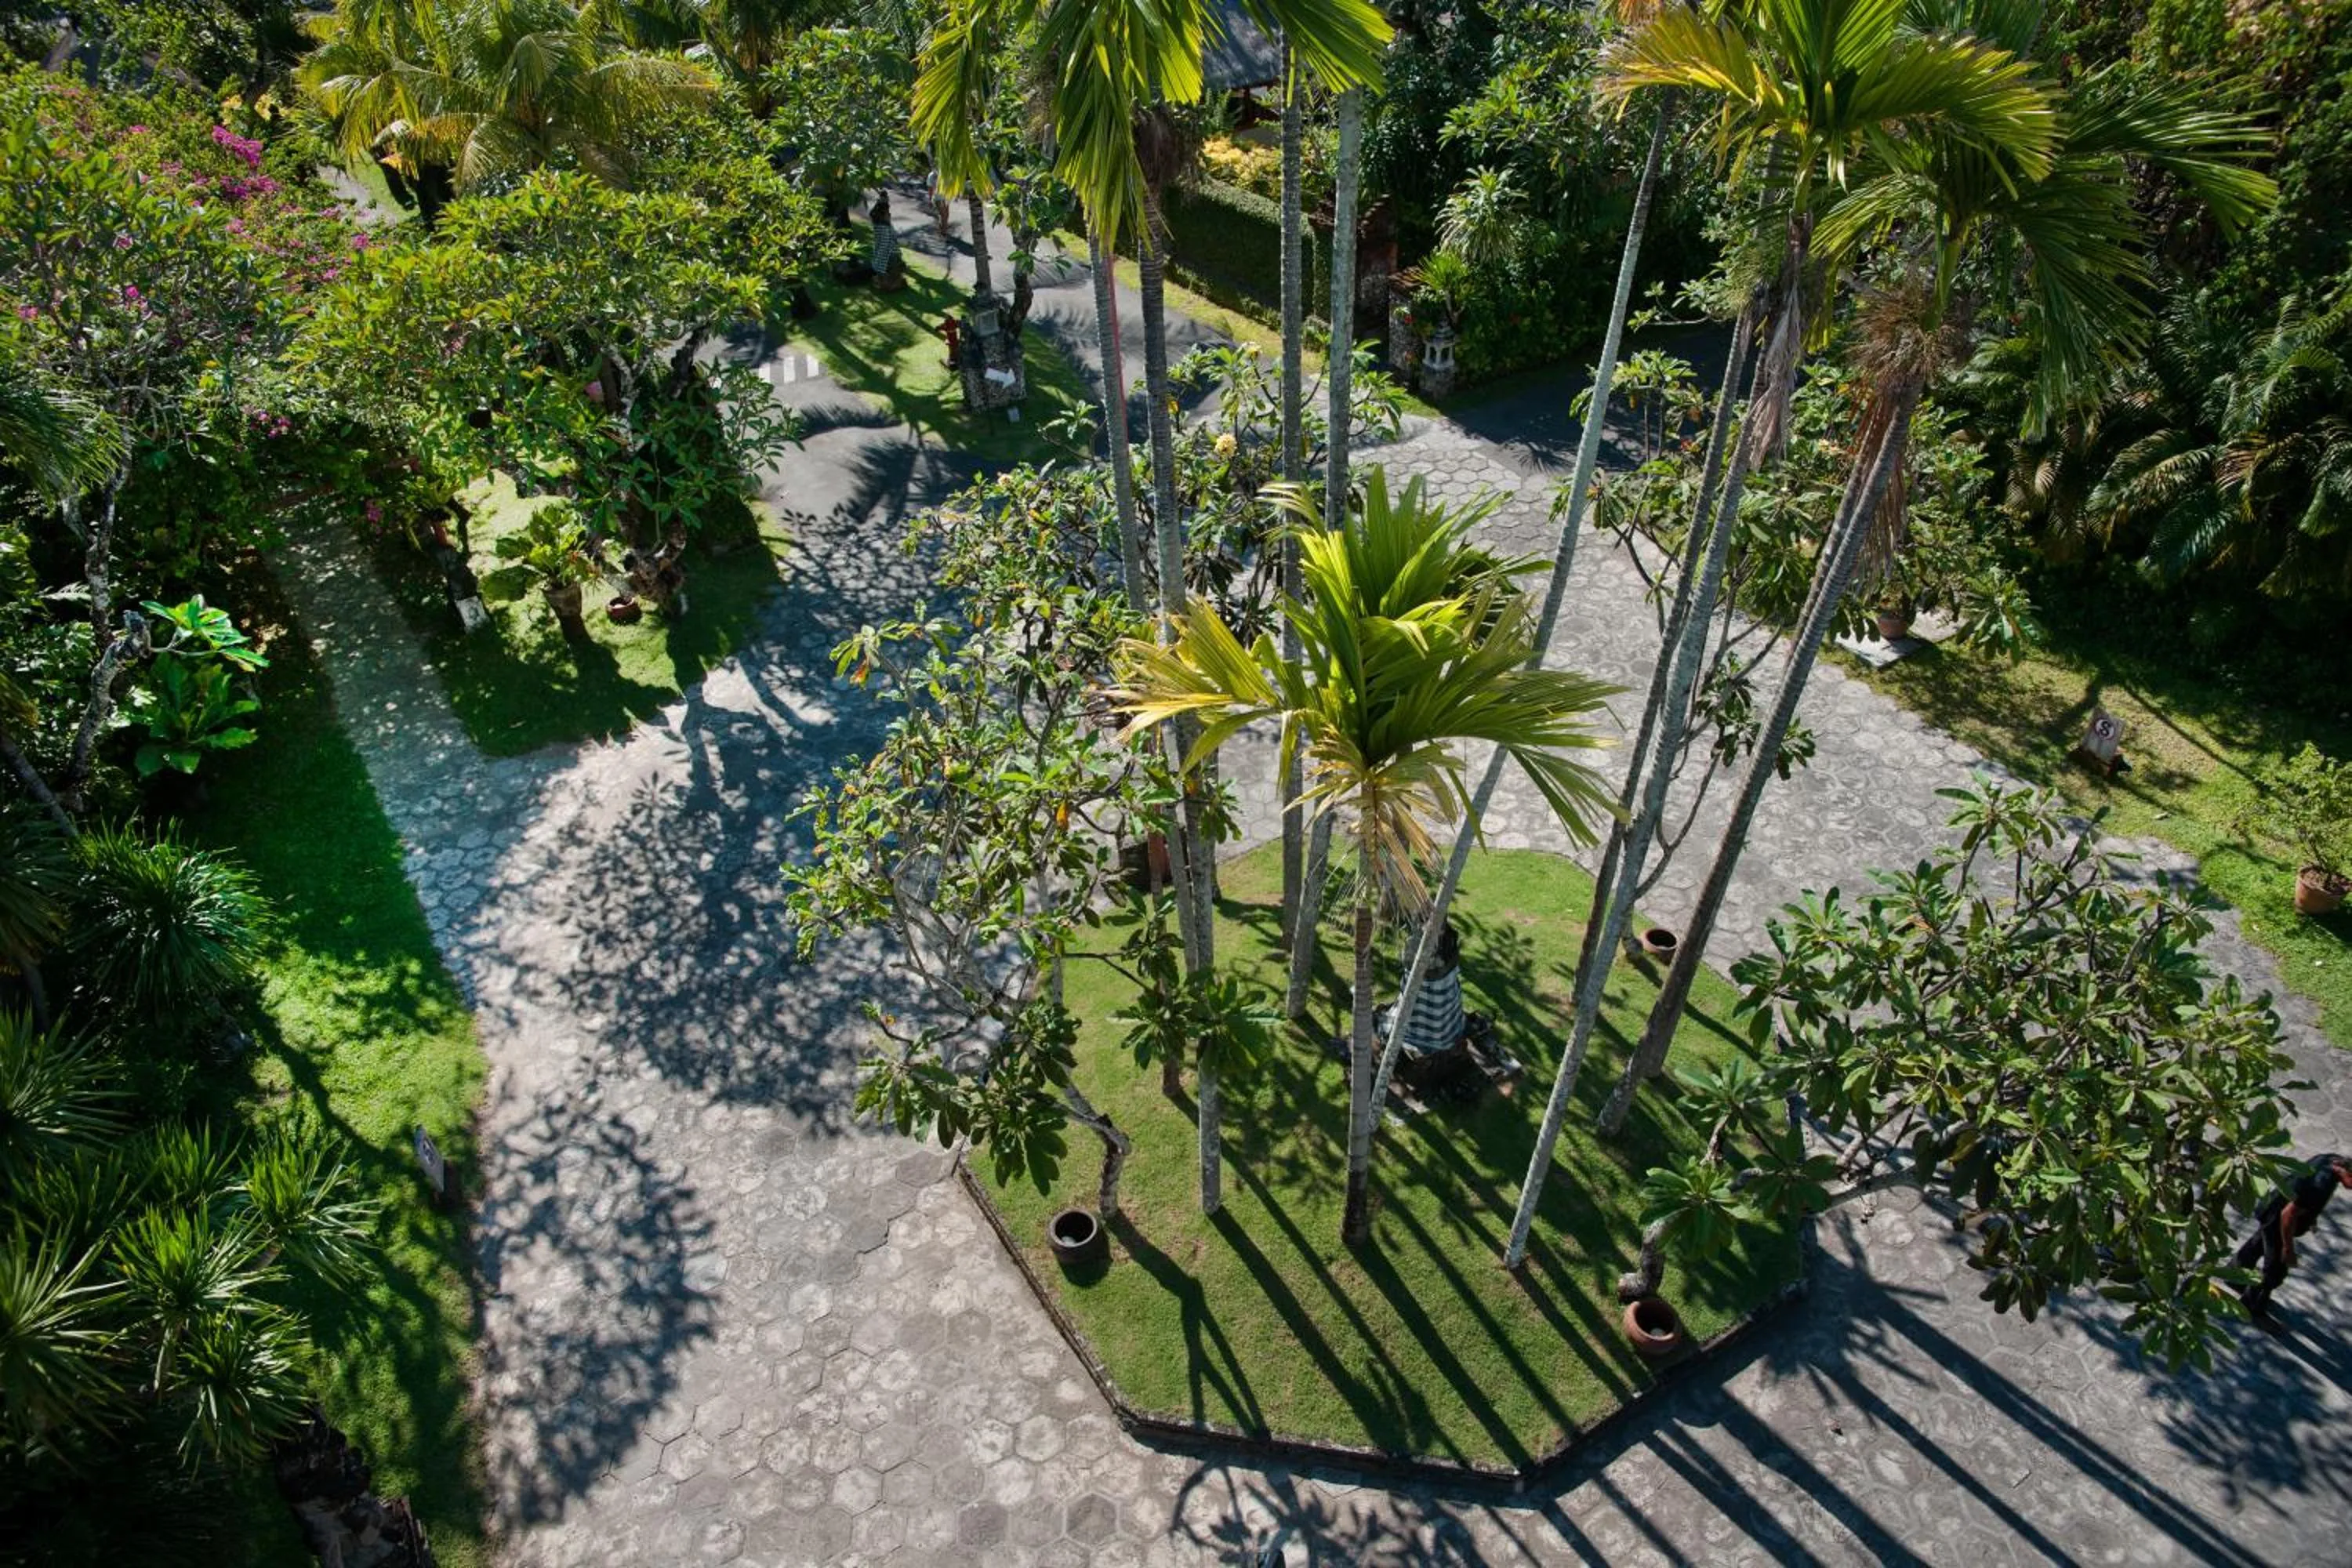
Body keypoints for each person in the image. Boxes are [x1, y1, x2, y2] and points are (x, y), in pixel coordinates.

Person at [2238, 1152, 2352, 1318]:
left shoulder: (2328, 1159)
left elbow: (2302, 1190)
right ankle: (2251, 1306)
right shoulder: (2322, 1184)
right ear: (2348, 1172)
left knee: (2256, 1246)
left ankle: (2235, 1274)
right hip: (2277, 1219)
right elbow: (2288, 1215)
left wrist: (2310, 1218)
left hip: (2272, 1204)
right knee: (2275, 1270)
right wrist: (2288, 1248)